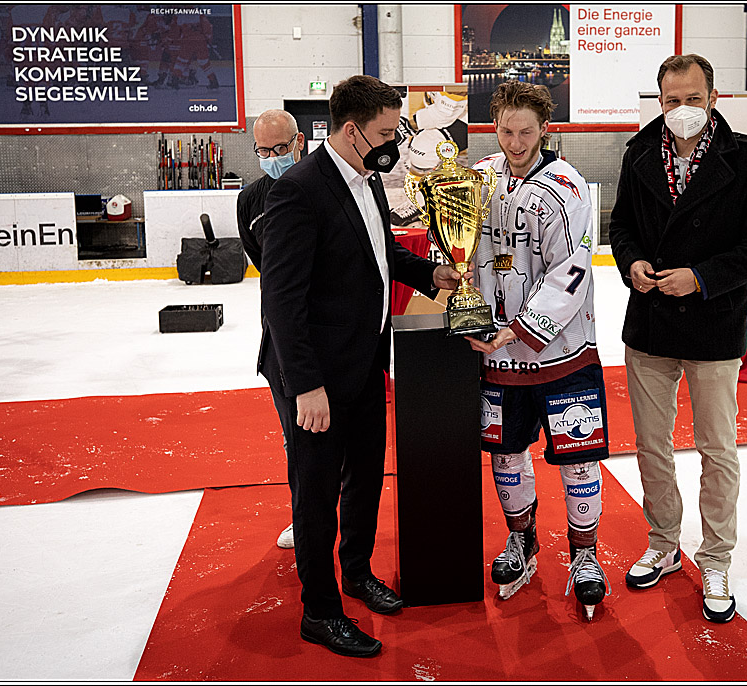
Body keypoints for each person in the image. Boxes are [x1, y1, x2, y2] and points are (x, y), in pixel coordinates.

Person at [258, 75, 464, 657]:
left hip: (366, 364)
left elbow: (382, 252)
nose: (390, 141)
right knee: (317, 492)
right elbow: (282, 301)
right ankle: (319, 611)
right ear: (351, 130)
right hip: (318, 377)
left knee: (366, 477)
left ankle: (356, 574)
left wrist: (429, 274)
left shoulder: (366, 178)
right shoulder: (299, 190)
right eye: (382, 132)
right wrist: (307, 388)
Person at [608, 54, 747, 623]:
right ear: (658, 100)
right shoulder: (638, 152)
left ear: (714, 96)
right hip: (651, 322)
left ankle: (715, 557)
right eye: (670, 100)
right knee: (652, 445)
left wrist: (702, 277)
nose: (681, 110)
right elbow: (622, 227)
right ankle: (662, 542)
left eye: (691, 98)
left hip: (713, 321)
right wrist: (631, 262)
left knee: (716, 449)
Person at [465, 80, 611, 620]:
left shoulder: (566, 187)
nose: (515, 140)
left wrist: (522, 327)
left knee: (579, 458)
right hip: (498, 356)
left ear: (544, 129)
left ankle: (585, 556)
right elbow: (463, 252)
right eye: (506, 130)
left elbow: (571, 271)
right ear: (495, 126)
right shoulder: (477, 179)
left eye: (526, 131)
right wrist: (476, 320)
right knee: (506, 453)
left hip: (561, 355)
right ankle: (522, 542)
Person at [236, 108, 305, 550]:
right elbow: (268, 270)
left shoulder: (331, 185)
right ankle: (306, 514)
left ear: (299, 142)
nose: (273, 157)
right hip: (282, 340)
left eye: (280, 149)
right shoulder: (249, 201)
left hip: (336, 337)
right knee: (296, 438)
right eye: (264, 151)